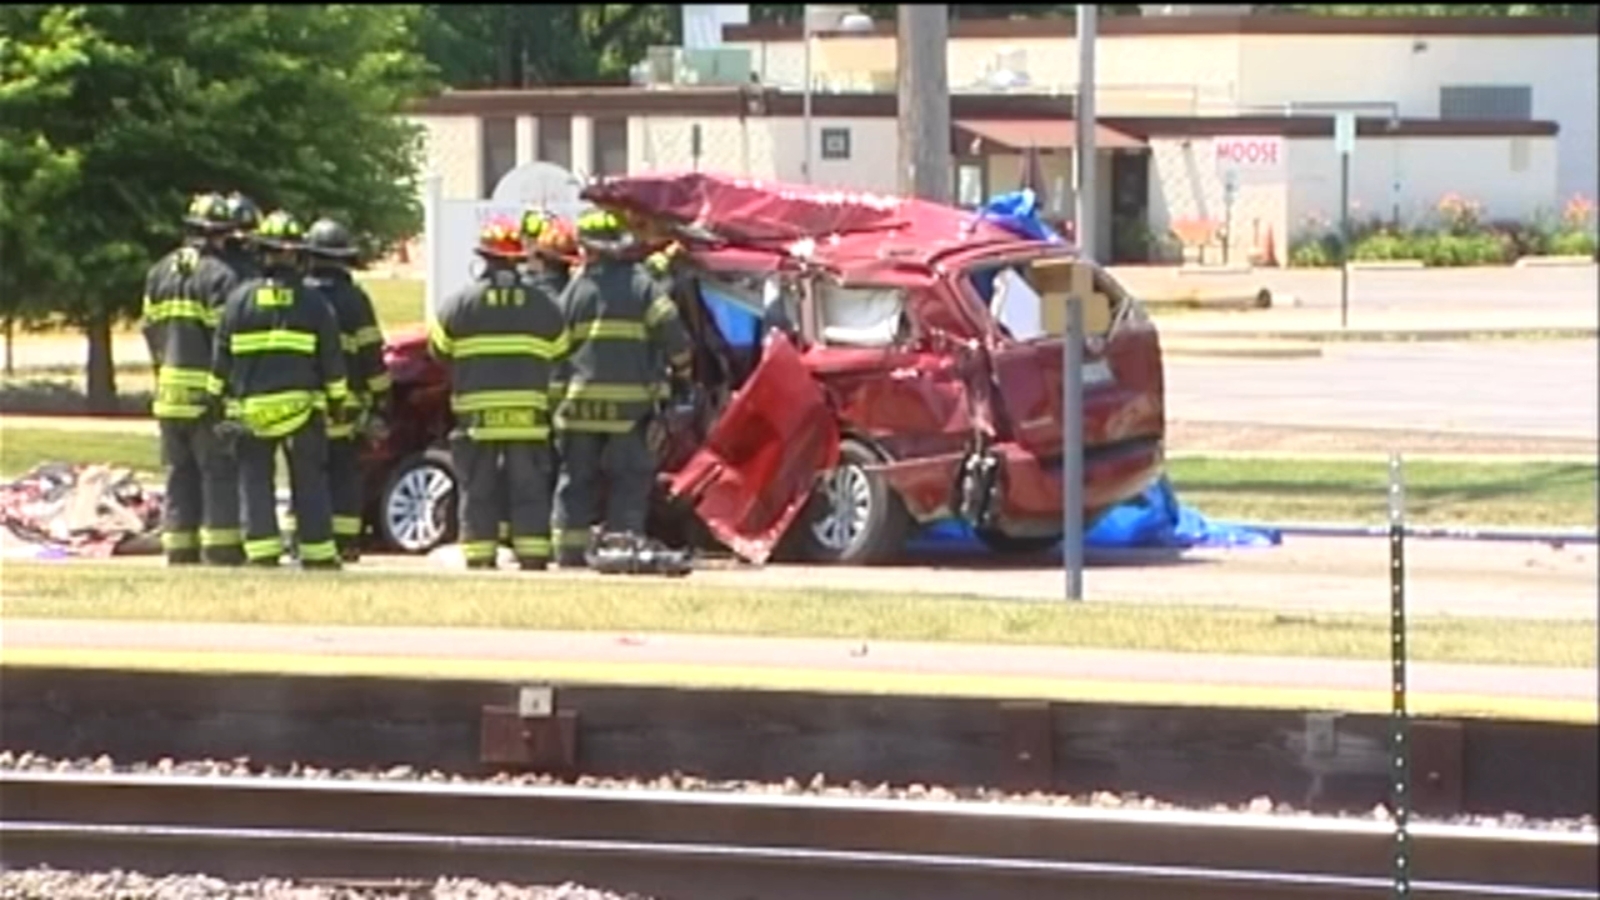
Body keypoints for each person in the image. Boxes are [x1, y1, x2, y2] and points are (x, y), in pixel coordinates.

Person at [207, 210, 351, 570]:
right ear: (298, 256)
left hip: (252, 413)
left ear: (261, 252)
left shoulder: (238, 301)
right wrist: (338, 403)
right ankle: (318, 554)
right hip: (301, 412)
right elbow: (332, 362)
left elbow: (220, 360)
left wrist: (215, 402)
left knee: (255, 481)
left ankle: (262, 553)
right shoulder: (314, 304)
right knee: (309, 482)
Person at [549, 209, 693, 569]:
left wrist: (554, 406)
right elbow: (673, 332)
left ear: (588, 248)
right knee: (628, 480)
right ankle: (622, 551)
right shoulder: (642, 286)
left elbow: (554, 351)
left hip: (579, 408)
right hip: (630, 410)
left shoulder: (574, 291)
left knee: (576, 482)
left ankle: (568, 554)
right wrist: (683, 372)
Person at [429, 218, 569, 571]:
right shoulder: (544, 306)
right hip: (528, 416)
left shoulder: (460, 304)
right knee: (529, 487)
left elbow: (438, 350)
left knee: (478, 487)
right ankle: (533, 555)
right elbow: (561, 350)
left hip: (476, 417)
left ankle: (480, 556)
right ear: (518, 259)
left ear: (483, 258)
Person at [141, 192, 255, 566]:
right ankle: (221, 549)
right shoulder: (221, 276)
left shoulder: (159, 272)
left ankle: (179, 548)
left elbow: (150, 329)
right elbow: (226, 340)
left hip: (168, 394)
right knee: (217, 472)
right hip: (206, 395)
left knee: (178, 474)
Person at [304, 217, 391, 562]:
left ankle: (309, 537)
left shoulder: (301, 297)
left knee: (307, 473)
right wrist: (382, 399)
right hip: (348, 409)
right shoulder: (355, 300)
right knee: (344, 473)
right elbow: (371, 355)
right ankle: (346, 542)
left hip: (306, 407)